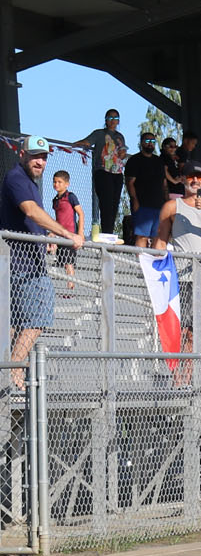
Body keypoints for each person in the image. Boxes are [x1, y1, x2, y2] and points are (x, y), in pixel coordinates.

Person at [3, 137, 84, 389]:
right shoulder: (17, 178)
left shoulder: (29, 182)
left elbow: (30, 218)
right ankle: (13, 370)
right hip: (23, 265)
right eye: (36, 156)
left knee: (17, 323)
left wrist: (45, 235)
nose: (41, 161)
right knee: (39, 316)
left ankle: (9, 370)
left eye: (45, 157)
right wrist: (66, 234)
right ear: (22, 154)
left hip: (23, 262)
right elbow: (30, 211)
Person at [152, 159, 201, 384]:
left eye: (199, 177)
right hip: (181, 276)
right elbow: (160, 241)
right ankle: (179, 380)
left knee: (195, 331)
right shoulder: (172, 206)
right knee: (182, 329)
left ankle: (186, 378)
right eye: (190, 177)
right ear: (182, 179)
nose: (195, 181)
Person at [77, 109, 127, 235]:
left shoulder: (120, 137)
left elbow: (121, 155)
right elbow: (87, 142)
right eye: (110, 118)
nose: (113, 121)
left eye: (115, 118)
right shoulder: (99, 134)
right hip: (103, 171)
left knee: (114, 205)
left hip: (117, 173)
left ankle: (109, 232)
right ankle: (106, 232)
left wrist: (122, 154)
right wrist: (73, 145)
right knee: (106, 204)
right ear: (105, 120)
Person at [124, 130, 165, 248]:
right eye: (147, 141)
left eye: (153, 141)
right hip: (142, 205)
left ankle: (155, 263)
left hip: (159, 204)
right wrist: (134, 200)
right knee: (142, 236)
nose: (150, 143)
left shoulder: (159, 161)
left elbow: (164, 184)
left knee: (158, 235)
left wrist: (166, 202)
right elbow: (130, 183)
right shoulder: (134, 160)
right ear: (141, 143)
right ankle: (140, 262)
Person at [50, 170, 84, 290]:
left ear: (67, 184)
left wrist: (80, 233)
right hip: (59, 234)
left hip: (70, 235)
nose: (56, 184)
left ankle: (71, 286)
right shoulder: (55, 200)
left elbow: (81, 214)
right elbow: (57, 219)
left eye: (59, 182)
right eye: (54, 182)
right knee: (63, 261)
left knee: (68, 263)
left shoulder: (70, 197)